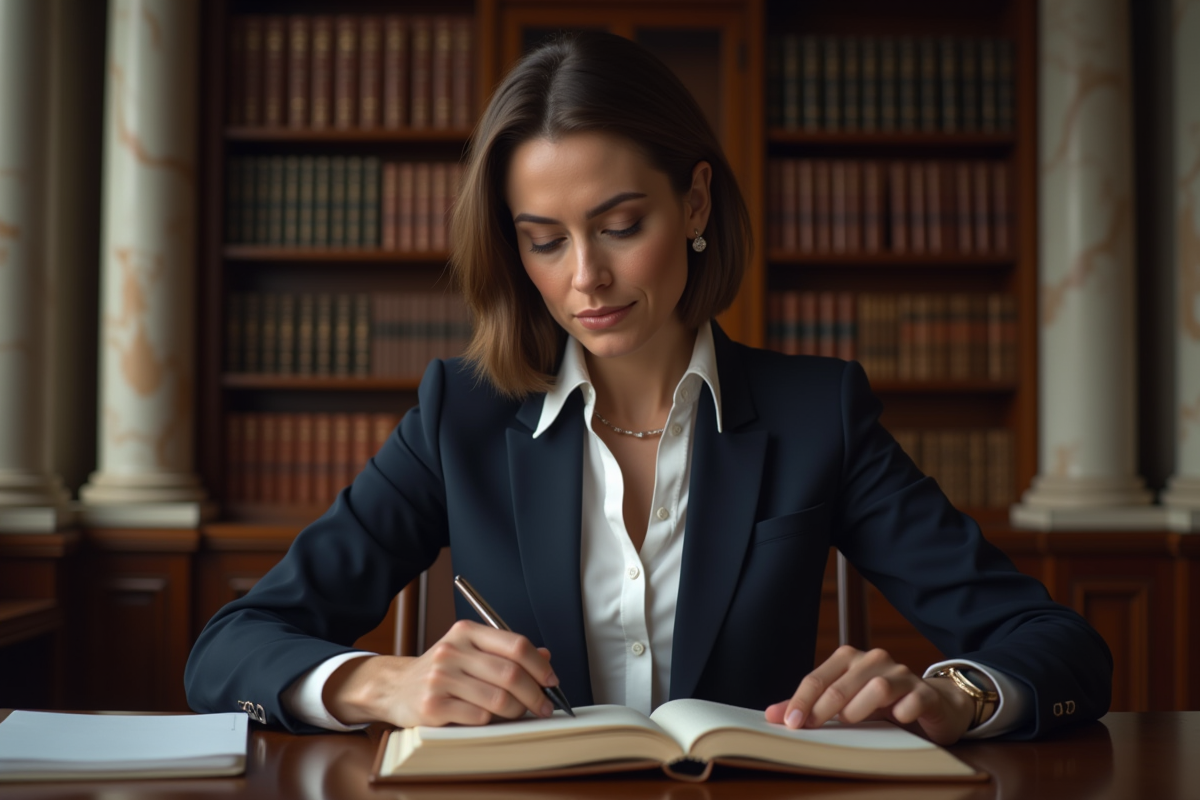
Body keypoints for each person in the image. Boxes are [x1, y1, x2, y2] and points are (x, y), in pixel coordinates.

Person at [185, 32, 1111, 744]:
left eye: (620, 224)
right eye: (545, 239)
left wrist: (956, 692)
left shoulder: (815, 414)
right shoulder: (457, 415)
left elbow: (1057, 643)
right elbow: (229, 648)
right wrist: (374, 683)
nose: (585, 276)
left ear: (695, 204)